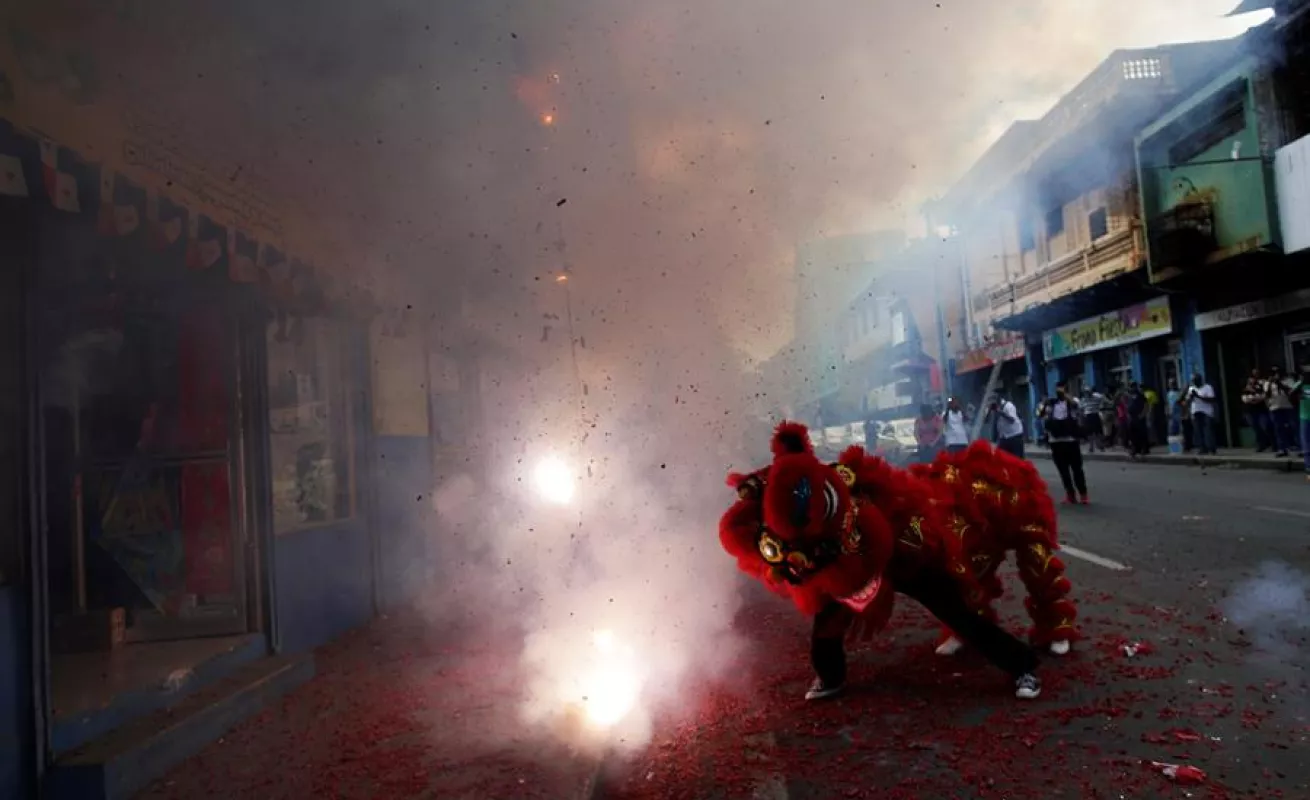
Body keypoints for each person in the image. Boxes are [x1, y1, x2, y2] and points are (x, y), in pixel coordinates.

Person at [1044, 382, 1089, 505]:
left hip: (1071, 441)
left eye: (1062, 390)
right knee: (1063, 471)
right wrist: (1046, 404)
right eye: (1057, 390)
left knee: (1077, 469)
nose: (1059, 393)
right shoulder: (1051, 404)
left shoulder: (1073, 402)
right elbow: (1041, 415)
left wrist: (1066, 397)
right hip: (1056, 442)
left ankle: (1083, 494)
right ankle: (1070, 495)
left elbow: (1079, 408)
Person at [1264, 366, 1298, 458]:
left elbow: (1291, 391)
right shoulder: (1268, 383)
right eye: (1273, 373)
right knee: (1278, 428)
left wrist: (1280, 384)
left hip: (1287, 406)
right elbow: (1266, 395)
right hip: (1275, 407)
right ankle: (1282, 448)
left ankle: (1296, 446)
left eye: (1277, 373)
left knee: (1292, 426)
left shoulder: (1288, 381)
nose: (1276, 375)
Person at [1184, 373, 1218, 455]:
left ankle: (1211, 448)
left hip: (1206, 412)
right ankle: (1202, 448)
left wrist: (1198, 396)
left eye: (1195, 380)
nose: (1194, 382)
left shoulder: (1208, 387)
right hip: (1196, 411)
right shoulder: (1192, 388)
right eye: (1193, 381)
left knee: (1208, 430)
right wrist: (1190, 397)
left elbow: (1212, 399)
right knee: (1198, 431)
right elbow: (1186, 402)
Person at [1241, 369, 1272, 453]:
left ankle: (1270, 443)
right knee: (1256, 428)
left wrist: (1255, 398)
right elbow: (1244, 399)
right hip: (1250, 410)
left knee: (1265, 425)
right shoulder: (1246, 388)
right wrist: (1253, 398)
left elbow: (1264, 396)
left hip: (1261, 409)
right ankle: (1261, 444)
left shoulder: (1261, 385)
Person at [988, 390, 1025, 458]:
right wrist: (988, 411)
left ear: (998, 399)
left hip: (1015, 435)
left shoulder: (1008, 405)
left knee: (1017, 459)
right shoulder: (992, 408)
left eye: (993, 399)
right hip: (1004, 437)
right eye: (990, 400)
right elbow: (986, 421)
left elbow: (1012, 420)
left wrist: (999, 411)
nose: (991, 402)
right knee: (1000, 458)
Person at [1127, 382, 1150, 457]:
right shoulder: (1130, 396)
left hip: (1139, 417)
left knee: (1141, 433)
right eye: (1131, 386)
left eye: (1133, 386)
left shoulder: (1141, 396)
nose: (1132, 388)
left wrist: (1142, 415)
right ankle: (1135, 449)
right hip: (1132, 418)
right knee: (1133, 434)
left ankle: (1144, 449)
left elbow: (1146, 406)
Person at [1081, 388, 1106, 452]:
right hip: (1088, 416)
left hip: (1095, 415)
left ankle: (1100, 445)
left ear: (1091, 392)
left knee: (1098, 432)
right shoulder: (1084, 399)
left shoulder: (1096, 397)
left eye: (1088, 392)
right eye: (1086, 392)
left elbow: (1103, 398)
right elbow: (1081, 407)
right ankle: (1091, 447)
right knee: (1089, 433)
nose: (1087, 393)